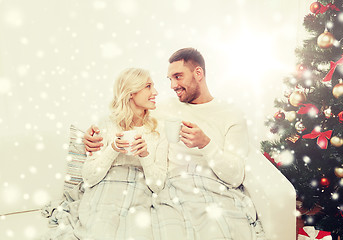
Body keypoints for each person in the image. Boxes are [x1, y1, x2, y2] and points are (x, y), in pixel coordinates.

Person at [84, 48, 266, 239]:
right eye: (169, 79)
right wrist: (91, 135)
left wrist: (205, 144)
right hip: (173, 187)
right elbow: (128, 116)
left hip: (213, 186)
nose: (172, 85)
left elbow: (235, 176)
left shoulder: (231, 115)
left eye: (178, 77)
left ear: (198, 73)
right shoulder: (163, 109)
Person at [75, 68, 168, 240]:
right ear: (131, 92)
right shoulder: (105, 125)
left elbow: (158, 185)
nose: (155, 91)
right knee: (99, 233)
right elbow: (88, 178)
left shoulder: (158, 131)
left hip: (139, 193)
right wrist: (113, 149)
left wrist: (145, 155)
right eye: (148, 86)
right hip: (107, 190)